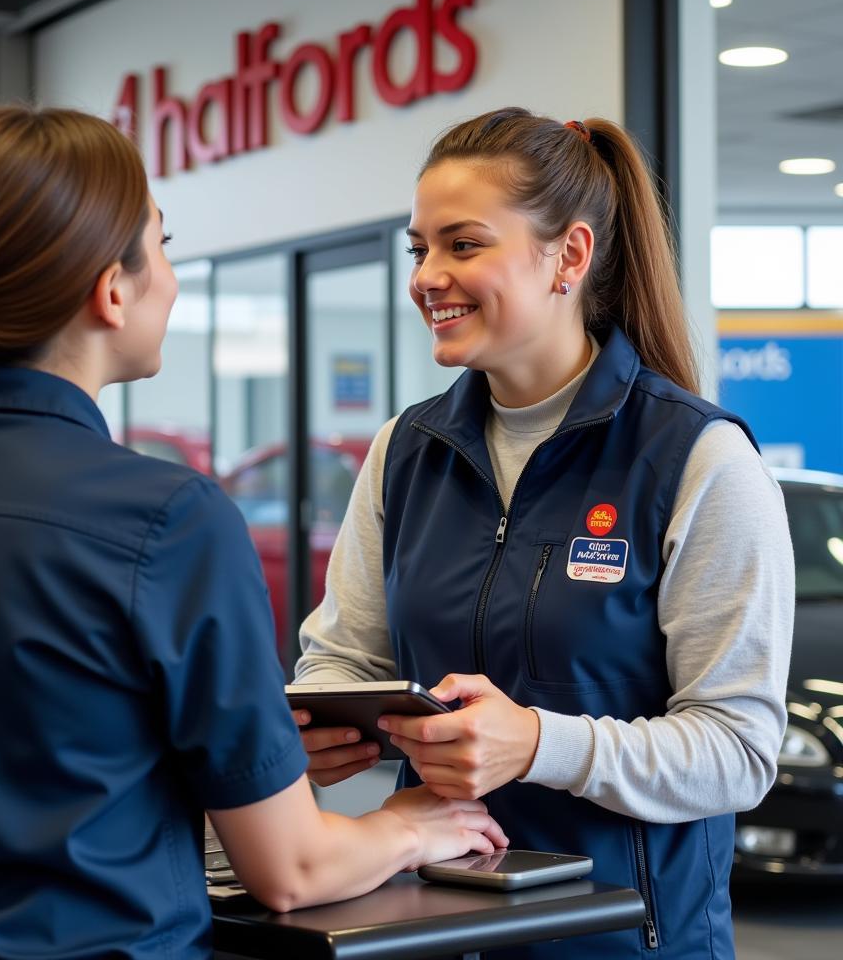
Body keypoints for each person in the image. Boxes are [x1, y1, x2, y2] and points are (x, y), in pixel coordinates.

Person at [0, 106, 506, 960]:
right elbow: (290, 869)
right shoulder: (164, 519)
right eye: (164, 245)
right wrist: (408, 824)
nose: (171, 278)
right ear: (111, 290)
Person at [294, 107, 794, 959]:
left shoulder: (698, 460)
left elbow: (738, 751)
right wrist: (325, 720)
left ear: (569, 256)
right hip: (436, 932)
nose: (427, 277)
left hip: (626, 941)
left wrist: (537, 742)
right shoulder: (403, 452)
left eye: (463, 244)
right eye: (420, 250)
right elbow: (344, 655)